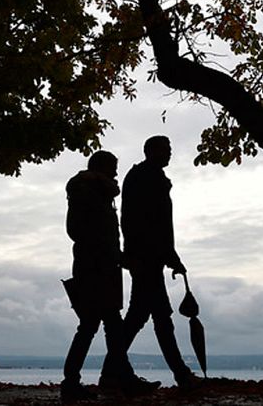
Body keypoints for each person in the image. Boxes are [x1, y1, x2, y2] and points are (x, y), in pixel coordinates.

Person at [61, 150, 160, 402]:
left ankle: (84, 381)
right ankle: (86, 381)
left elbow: (99, 235)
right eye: (113, 167)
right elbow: (91, 234)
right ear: (102, 167)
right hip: (95, 270)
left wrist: (117, 259)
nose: (117, 172)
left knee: (99, 327)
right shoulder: (88, 191)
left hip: (100, 268)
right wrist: (119, 258)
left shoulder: (96, 192)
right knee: (103, 327)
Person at [120, 136, 201, 388]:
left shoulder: (145, 177)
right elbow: (152, 224)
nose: (169, 154)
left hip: (146, 257)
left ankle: (113, 371)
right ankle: (181, 374)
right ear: (150, 151)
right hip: (146, 258)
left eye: (170, 149)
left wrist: (169, 256)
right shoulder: (147, 178)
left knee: (144, 317)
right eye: (165, 149)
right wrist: (169, 256)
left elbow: (151, 224)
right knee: (155, 318)